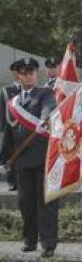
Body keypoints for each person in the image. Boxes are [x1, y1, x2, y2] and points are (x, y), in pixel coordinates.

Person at [0, 58, 58, 257]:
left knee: (46, 202)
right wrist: (3, 159)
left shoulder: (45, 93)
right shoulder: (13, 102)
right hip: (22, 160)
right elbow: (8, 131)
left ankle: (48, 243)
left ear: (36, 74)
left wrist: (44, 118)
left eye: (32, 72)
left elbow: (49, 107)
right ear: (18, 75)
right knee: (25, 202)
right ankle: (29, 240)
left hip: (43, 158)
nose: (28, 75)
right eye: (24, 73)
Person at [0, 60, 22, 192]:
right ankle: (12, 181)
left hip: (26, 129)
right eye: (16, 71)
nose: (18, 73)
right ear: (13, 73)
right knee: (11, 154)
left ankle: (24, 181)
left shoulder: (32, 90)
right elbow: (2, 111)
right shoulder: (6, 91)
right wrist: (2, 130)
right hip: (10, 128)